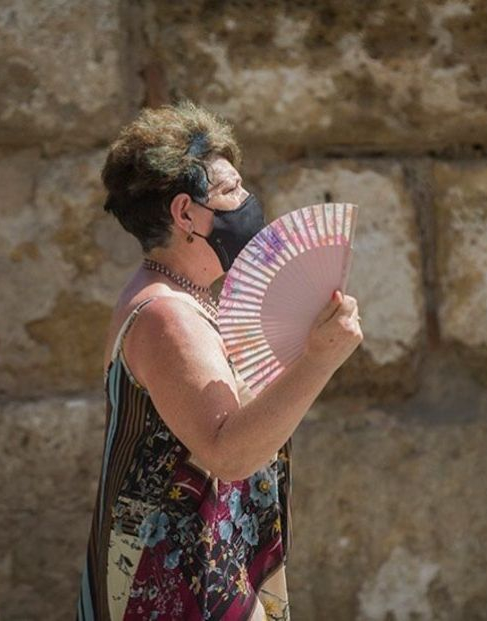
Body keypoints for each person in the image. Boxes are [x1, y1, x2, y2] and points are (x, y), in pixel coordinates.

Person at [76, 100, 363, 621]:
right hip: (175, 581)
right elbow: (227, 452)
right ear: (186, 213)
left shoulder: (191, 299)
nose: (249, 201)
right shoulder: (167, 317)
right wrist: (318, 363)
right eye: (231, 191)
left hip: (199, 566)